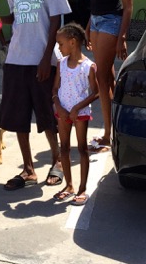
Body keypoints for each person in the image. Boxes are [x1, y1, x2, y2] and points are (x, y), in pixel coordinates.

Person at [0, 0, 71, 190]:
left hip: (42, 58)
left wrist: (47, 58)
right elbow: (17, 15)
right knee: (17, 115)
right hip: (16, 57)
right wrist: (1, 20)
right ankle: (28, 170)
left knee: (47, 115)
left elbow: (56, 20)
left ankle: (57, 161)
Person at [85, 0, 133, 153]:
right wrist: (87, 26)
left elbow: (128, 5)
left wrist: (122, 37)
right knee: (108, 79)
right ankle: (114, 128)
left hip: (111, 24)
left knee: (102, 78)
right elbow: (95, 0)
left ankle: (107, 134)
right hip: (94, 22)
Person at [52, 23, 99, 206]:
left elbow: (95, 92)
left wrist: (77, 108)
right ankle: (69, 186)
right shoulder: (61, 64)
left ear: (72, 42)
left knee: (81, 149)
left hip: (80, 115)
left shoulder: (88, 66)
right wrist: (59, 107)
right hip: (62, 113)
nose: (59, 48)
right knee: (63, 148)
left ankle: (82, 189)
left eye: (61, 44)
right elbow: (55, 88)